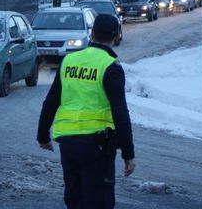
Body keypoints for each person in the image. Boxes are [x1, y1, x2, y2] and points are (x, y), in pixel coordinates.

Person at [37, 14, 136, 209]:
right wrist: (128, 153)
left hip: (68, 144)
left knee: (75, 199)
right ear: (116, 36)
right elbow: (120, 112)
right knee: (99, 201)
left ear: (92, 33)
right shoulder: (110, 66)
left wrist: (42, 136)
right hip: (97, 145)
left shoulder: (69, 61)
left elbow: (51, 101)